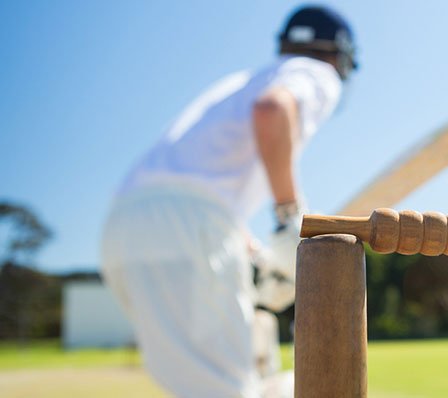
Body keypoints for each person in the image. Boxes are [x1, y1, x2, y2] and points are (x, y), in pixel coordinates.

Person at [99, 5, 357, 397]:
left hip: (122, 230)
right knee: (231, 391)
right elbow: (272, 111)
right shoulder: (313, 72)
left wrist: (257, 259)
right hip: (188, 227)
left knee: (213, 386)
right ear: (338, 56)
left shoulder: (239, 83)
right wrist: (290, 218)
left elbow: (194, 189)